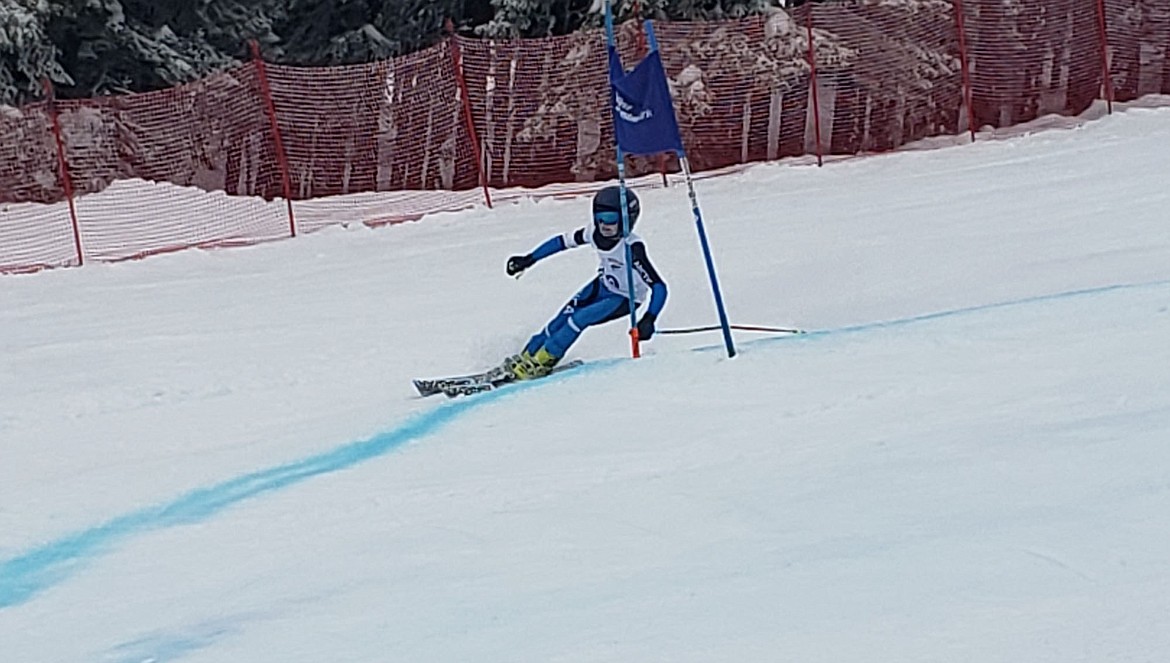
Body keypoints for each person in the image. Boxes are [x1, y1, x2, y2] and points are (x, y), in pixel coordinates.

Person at [503, 185, 668, 380]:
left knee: (580, 318)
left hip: (623, 298)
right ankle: (529, 355)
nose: (605, 225)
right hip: (602, 286)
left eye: (611, 220)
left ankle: (543, 360)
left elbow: (659, 287)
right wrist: (529, 259)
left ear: (627, 220)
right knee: (561, 318)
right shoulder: (593, 233)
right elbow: (561, 242)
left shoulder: (632, 248)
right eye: (600, 219)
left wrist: (649, 318)